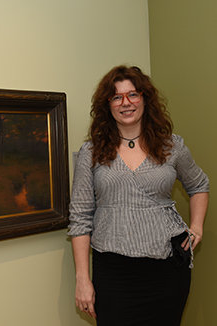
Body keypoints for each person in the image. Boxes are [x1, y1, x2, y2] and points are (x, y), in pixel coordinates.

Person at [68, 65, 209, 326]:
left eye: (133, 94)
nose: (126, 103)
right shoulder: (92, 152)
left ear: (145, 98)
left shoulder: (171, 146)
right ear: (107, 105)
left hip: (168, 270)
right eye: (116, 96)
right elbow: (80, 218)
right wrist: (82, 278)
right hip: (114, 273)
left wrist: (197, 227)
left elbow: (199, 184)